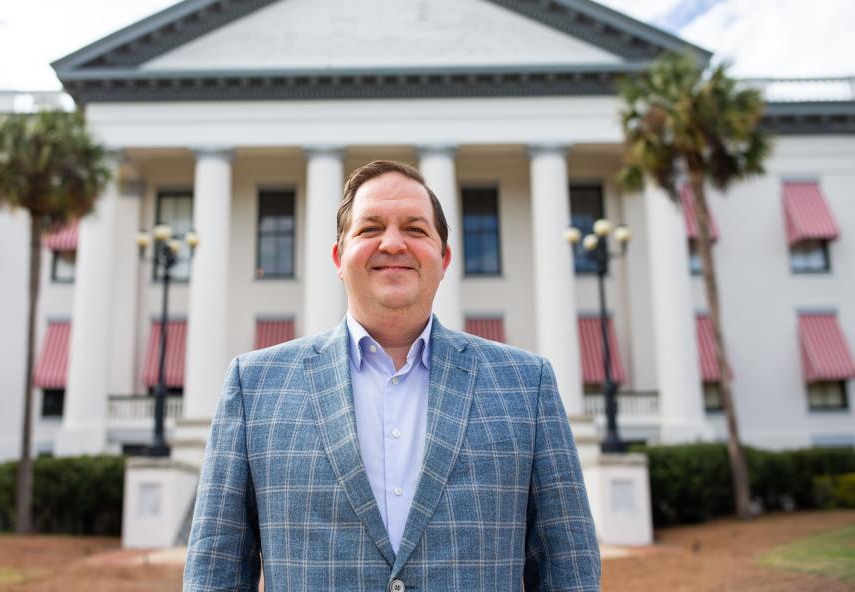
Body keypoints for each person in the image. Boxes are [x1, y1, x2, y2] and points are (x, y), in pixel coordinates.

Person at [183, 160, 601, 591]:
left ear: (444, 259)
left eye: (416, 229)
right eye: (370, 228)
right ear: (338, 257)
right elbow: (216, 569)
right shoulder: (254, 386)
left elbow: (568, 566)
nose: (393, 243)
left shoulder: (526, 384)